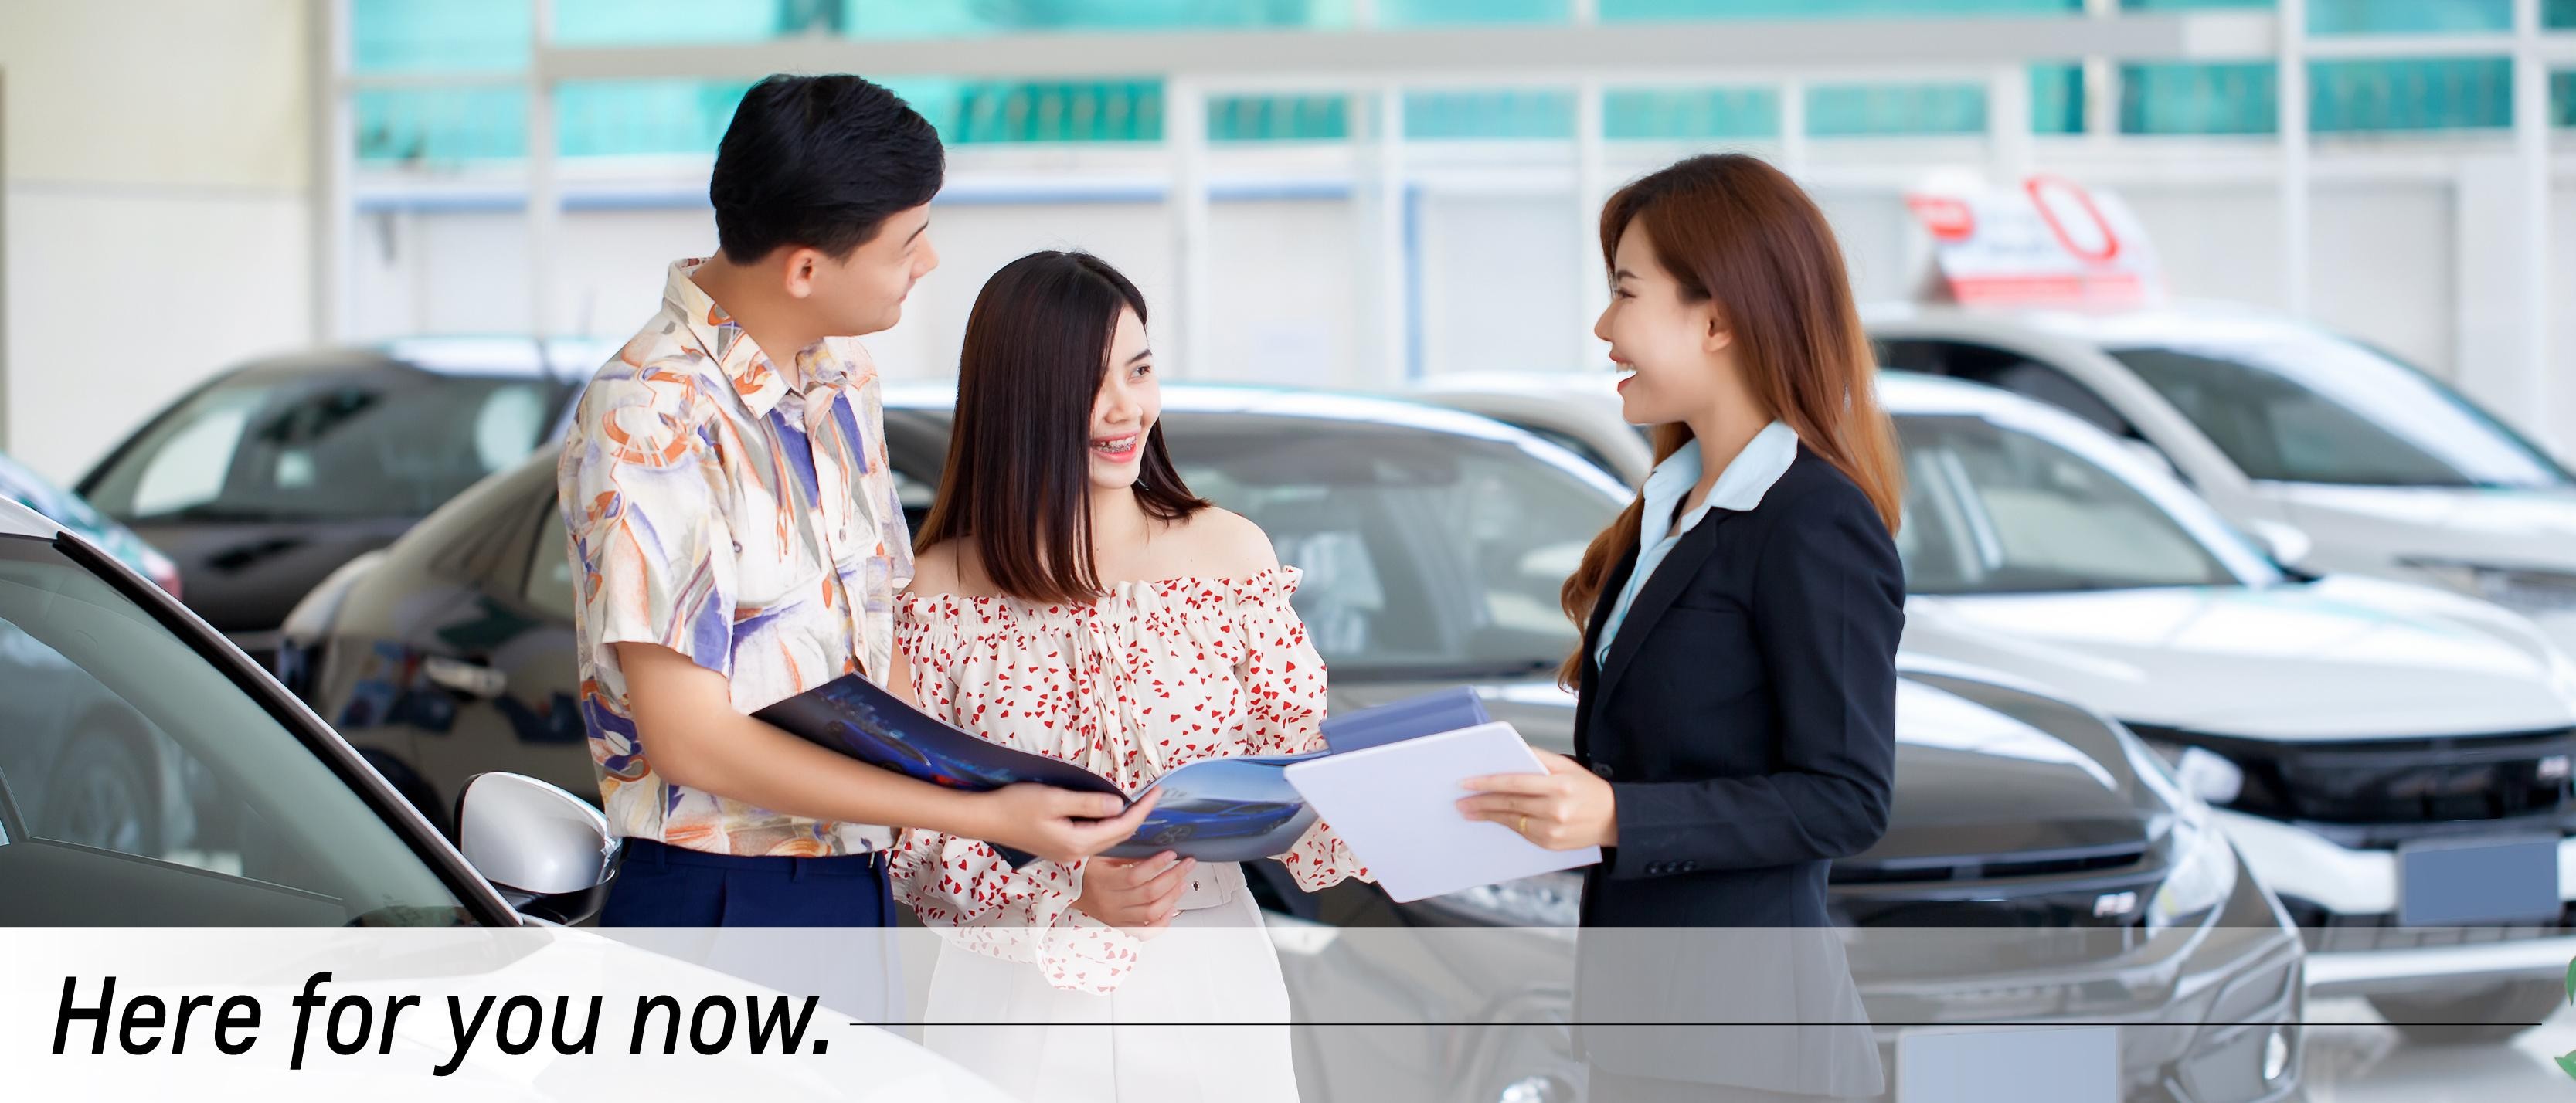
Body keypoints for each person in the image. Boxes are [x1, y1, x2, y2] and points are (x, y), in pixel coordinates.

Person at [557, 75, 1155, 944]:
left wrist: (1023, 817)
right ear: (804, 268)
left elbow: (883, 674)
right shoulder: (650, 414)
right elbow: (692, 743)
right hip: (723, 903)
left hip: (855, 888)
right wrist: (987, 821)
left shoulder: (843, 385)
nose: (929, 261)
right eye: (908, 241)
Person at [1455, 153, 1905, 1101]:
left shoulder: (1810, 520)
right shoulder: (1670, 505)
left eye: (1625, 293)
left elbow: (1844, 797)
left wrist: (1618, 815)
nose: (1603, 327)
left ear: (1721, 317)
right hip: (1647, 1031)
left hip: (1752, 1054)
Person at [892, 250, 1368, 1102]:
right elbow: (909, 841)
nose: (1125, 408)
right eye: (1088, 381)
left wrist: (1403, 803)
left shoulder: (1228, 555)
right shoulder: (939, 589)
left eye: (1139, 369)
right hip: (1008, 994)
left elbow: (1299, 773)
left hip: (1210, 978)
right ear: (1017, 399)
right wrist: (1066, 891)